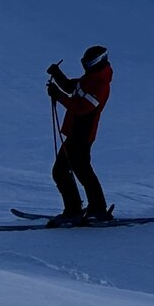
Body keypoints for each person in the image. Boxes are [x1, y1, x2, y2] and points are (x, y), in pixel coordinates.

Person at [46, 45, 115, 225]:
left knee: (64, 171)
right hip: (76, 134)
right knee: (80, 170)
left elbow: (81, 108)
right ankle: (93, 209)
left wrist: (58, 95)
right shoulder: (91, 78)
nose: (85, 66)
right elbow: (72, 87)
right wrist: (57, 75)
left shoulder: (101, 85)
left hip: (82, 136)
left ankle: (77, 210)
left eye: (88, 63)